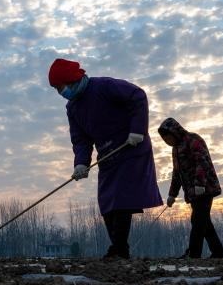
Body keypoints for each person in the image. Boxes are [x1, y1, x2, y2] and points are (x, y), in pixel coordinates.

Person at [48, 58, 163, 259]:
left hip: (130, 146)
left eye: (60, 87)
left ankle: (119, 248)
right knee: (107, 201)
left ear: (71, 80)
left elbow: (137, 96)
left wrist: (137, 130)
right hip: (107, 156)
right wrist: (81, 163)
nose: (60, 92)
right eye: (57, 89)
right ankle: (118, 247)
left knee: (122, 198)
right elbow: (80, 139)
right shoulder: (72, 108)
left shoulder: (104, 86)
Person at [158, 117, 223, 259]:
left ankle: (194, 254)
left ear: (174, 132)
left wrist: (200, 184)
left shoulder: (193, 140)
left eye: (168, 138)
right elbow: (177, 173)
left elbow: (201, 162)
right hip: (193, 192)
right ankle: (219, 254)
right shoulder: (176, 149)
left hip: (205, 188)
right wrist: (172, 195)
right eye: (165, 140)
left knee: (197, 220)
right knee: (204, 222)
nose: (167, 142)